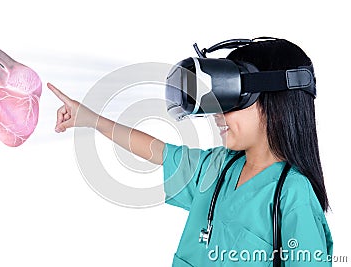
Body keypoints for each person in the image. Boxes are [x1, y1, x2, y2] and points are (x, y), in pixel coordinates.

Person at [47, 38, 333, 266]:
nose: (218, 113)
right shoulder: (219, 168)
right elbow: (156, 150)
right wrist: (90, 118)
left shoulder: (293, 194)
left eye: (232, 100)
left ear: (274, 103)